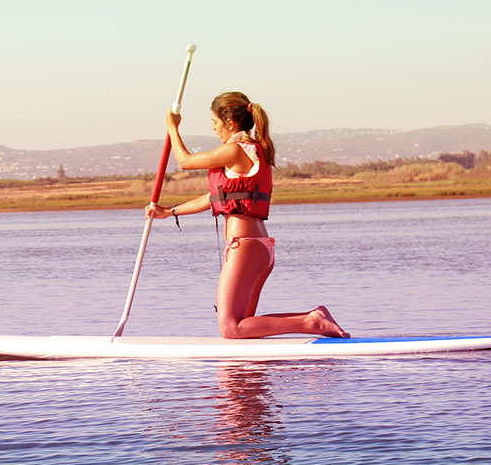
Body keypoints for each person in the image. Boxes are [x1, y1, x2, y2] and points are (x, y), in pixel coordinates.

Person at [147, 91, 349, 339]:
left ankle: (311, 322)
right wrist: (169, 212)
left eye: (214, 123)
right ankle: (254, 372)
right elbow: (218, 200)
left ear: (230, 123)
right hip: (258, 248)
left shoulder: (236, 150)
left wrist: (172, 128)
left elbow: (185, 161)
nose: (214, 129)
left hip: (244, 248)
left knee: (230, 328)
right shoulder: (255, 150)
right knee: (243, 325)